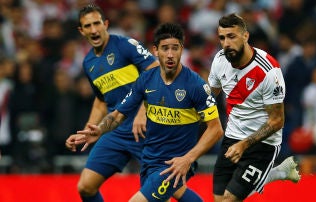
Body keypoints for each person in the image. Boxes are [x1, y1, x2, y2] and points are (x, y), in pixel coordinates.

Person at [74, 23, 224, 202]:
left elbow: (216, 130)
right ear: (155, 50)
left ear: (181, 50)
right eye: (165, 48)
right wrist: (99, 130)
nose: (170, 54)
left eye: (175, 48)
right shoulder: (145, 80)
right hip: (150, 161)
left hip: (174, 164)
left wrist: (188, 159)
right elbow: (119, 114)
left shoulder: (196, 86)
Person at [64, 4, 159, 202]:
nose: (94, 30)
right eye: (87, 26)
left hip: (146, 128)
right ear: (81, 31)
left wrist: (143, 111)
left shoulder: (125, 45)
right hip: (116, 130)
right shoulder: (88, 62)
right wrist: (88, 131)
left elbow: (156, 71)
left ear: (105, 24)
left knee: (167, 191)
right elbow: (100, 101)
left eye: (97, 23)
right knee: (85, 187)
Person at [208, 13, 301, 202]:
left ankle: (276, 173)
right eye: (222, 38)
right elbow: (211, 94)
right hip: (232, 137)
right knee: (218, 199)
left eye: (232, 36)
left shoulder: (269, 72)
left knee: (229, 199)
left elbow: (277, 121)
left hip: (262, 144)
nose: (226, 43)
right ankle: (279, 173)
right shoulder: (219, 60)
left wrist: (244, 144)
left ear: (245, 36)